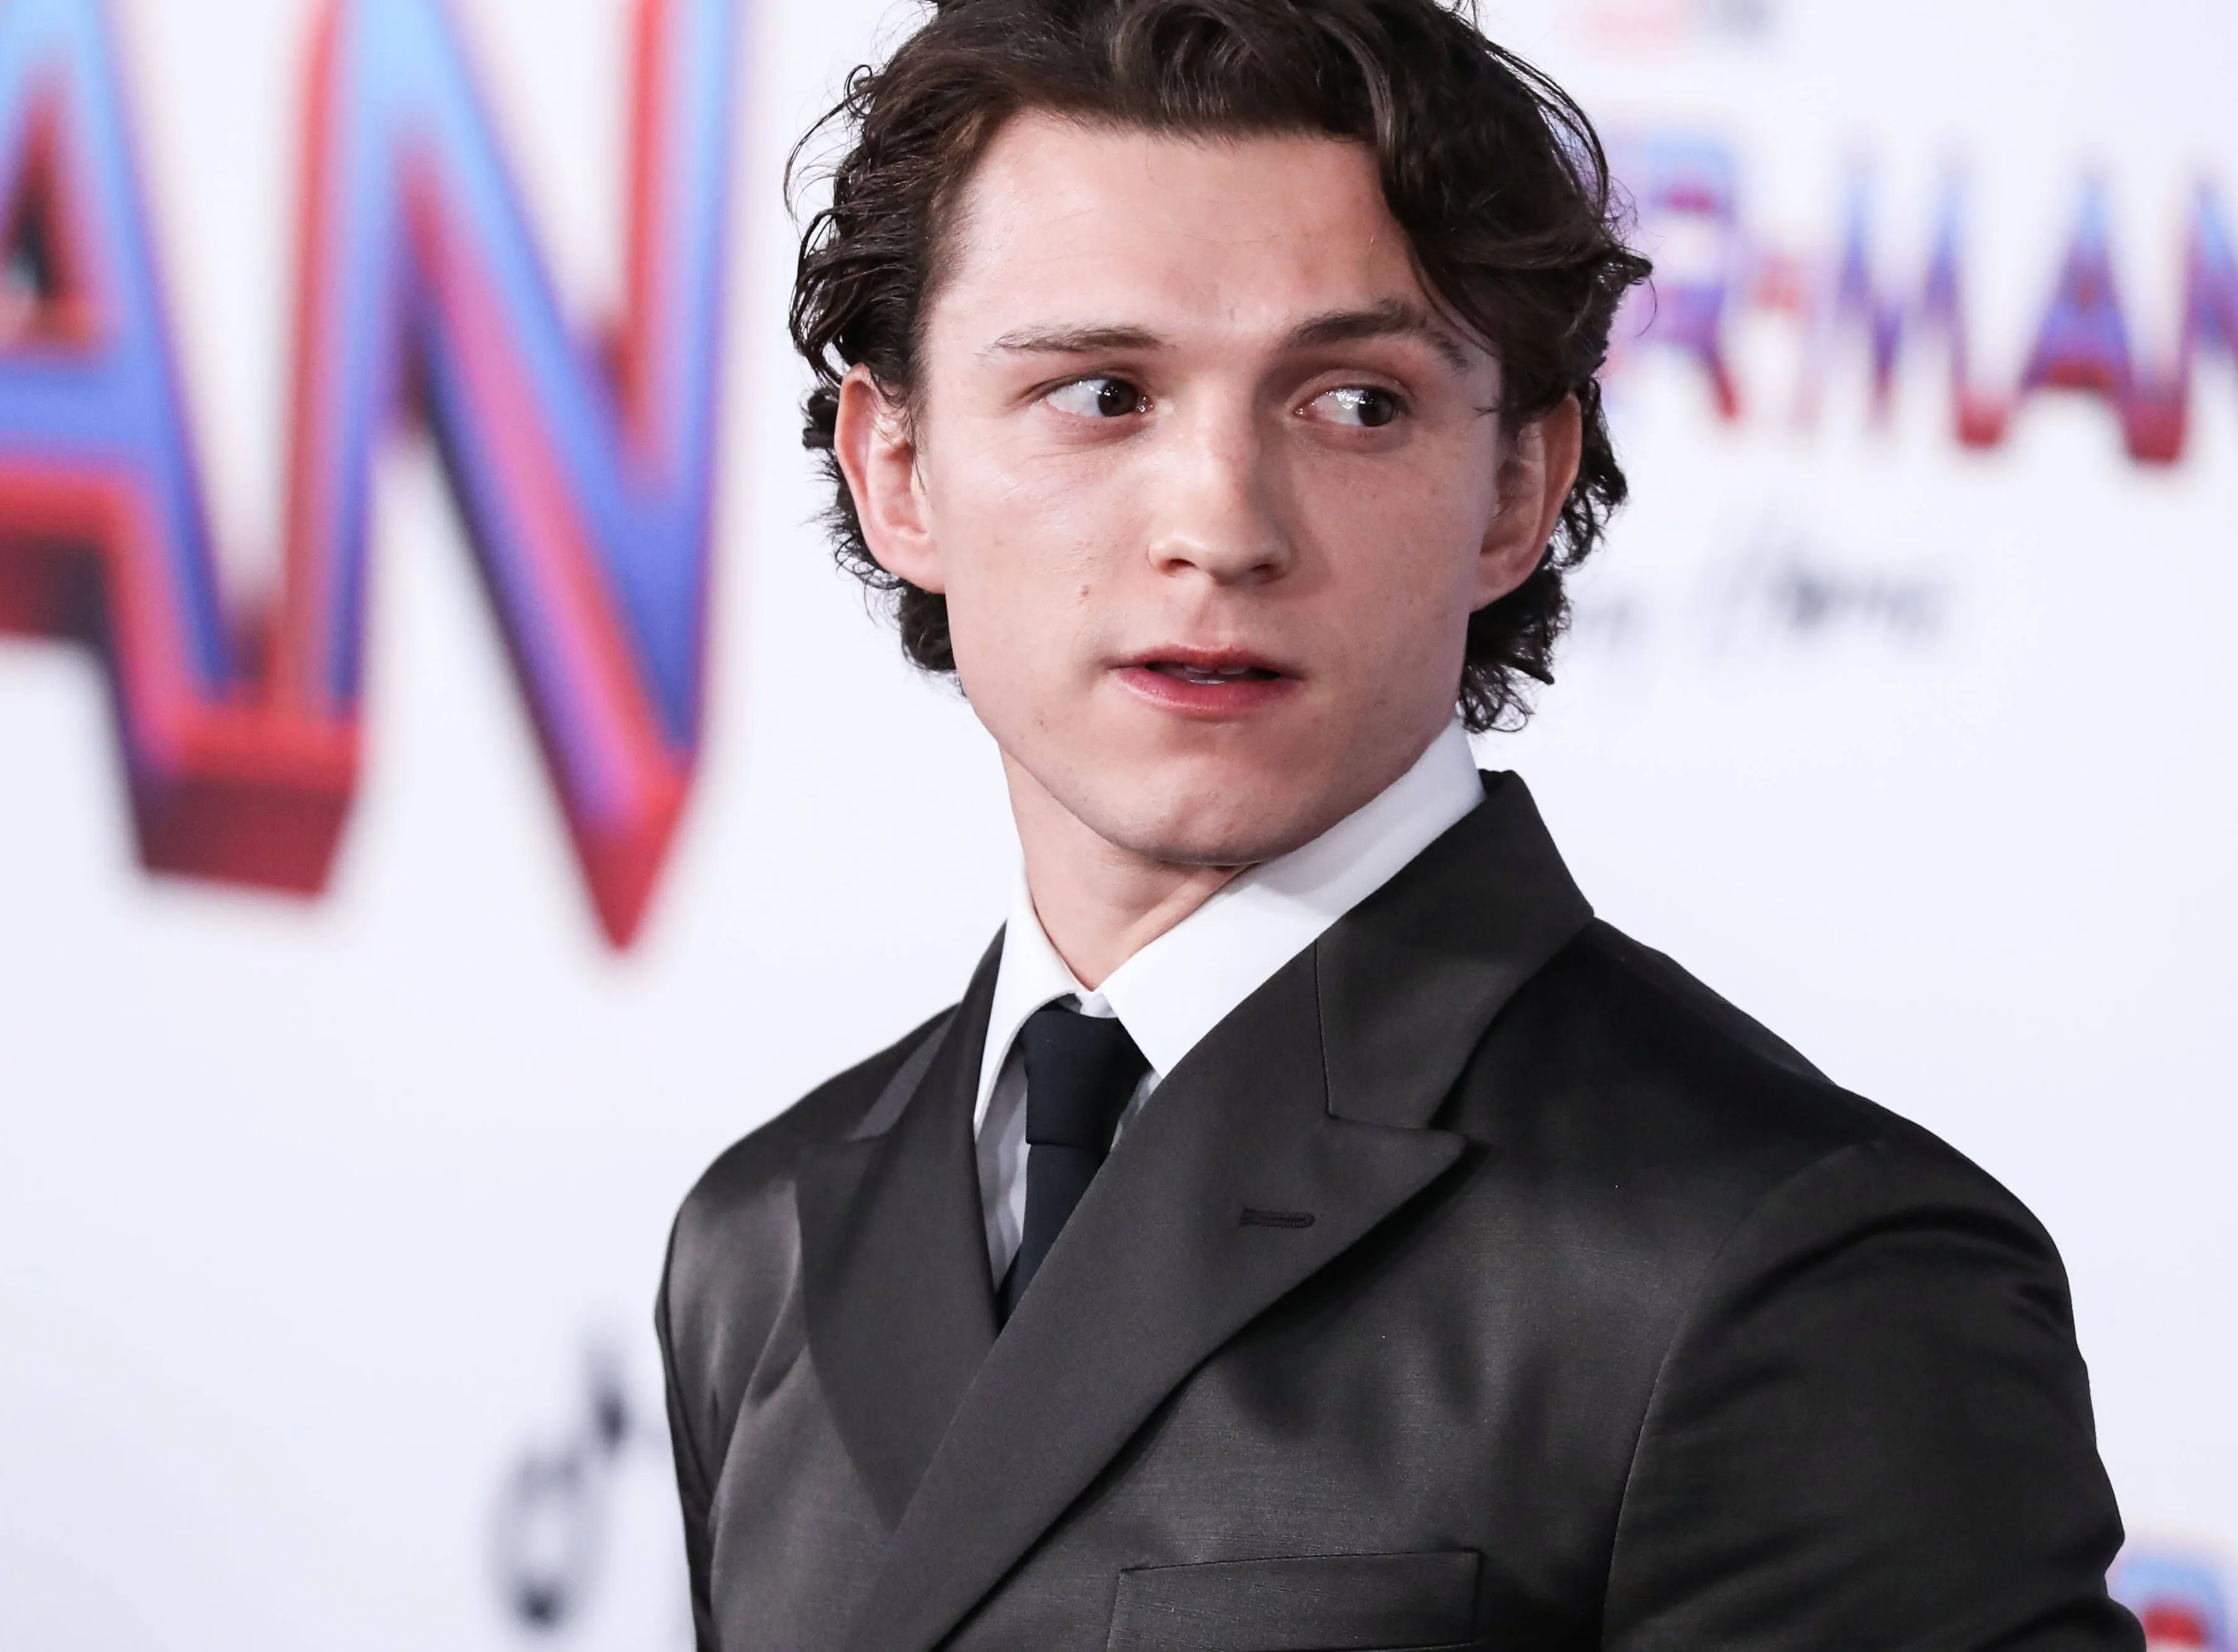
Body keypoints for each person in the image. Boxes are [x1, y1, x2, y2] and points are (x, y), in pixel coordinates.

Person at [657, 0, 2142, 1646]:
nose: (1221, 526)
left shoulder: (1796, 1270)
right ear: (899, 470)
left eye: (1354, 403)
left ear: (1517, 486)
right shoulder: (761, 1241)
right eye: (1102, 393)